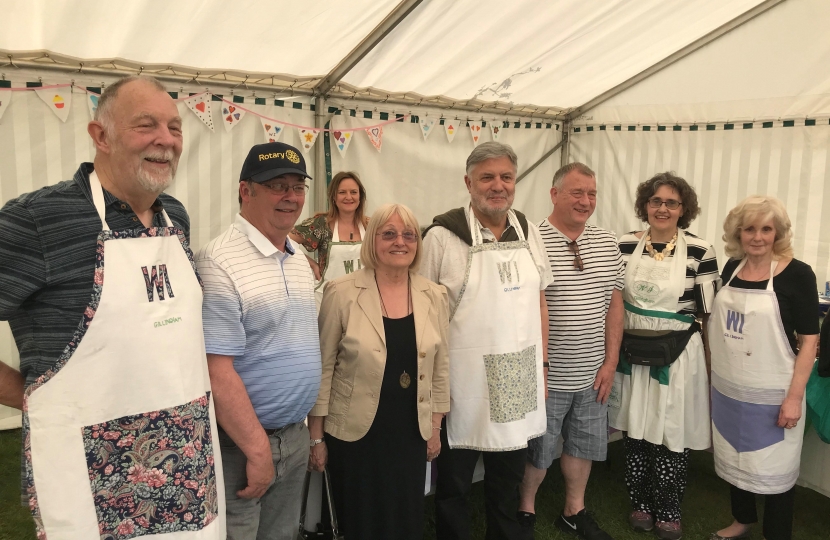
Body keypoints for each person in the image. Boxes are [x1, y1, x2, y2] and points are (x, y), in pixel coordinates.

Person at [0, 76, 226, 538]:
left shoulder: (174, 216)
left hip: (189, 469)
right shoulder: (38, 221)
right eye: (146, 125)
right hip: (93, 477)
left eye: (175, 128)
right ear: (100, 136)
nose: (165, 140)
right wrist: (29, 396)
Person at [421, 141, 553, 540]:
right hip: (463, 377)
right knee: (456, 480)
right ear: (468, 182)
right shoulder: (442, 236)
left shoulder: (528, 229)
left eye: (506, 177)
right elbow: (424, 315)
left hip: (517, 372)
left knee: (507, 476)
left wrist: (543, 366)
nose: (498, 186)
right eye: (487, 177)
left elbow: (541, 299)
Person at [197, 141, 321, 540]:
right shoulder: (219, 261)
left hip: (293, 435)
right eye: (276, 186)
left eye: (297, 186)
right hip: (242, 444)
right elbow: (218, 370)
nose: (290, 196)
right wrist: (256, 449)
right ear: (245, 191)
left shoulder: (298, 255)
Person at [307, 203, 450, 540]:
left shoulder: (435, 295)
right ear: (372, 241)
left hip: (410, 433)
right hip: (356, 435)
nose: (399, 242)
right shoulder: (341, 292)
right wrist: (316, 436)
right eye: (389, 234)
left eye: (408, 235)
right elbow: (323, 368)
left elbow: (441, 366)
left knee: (405, 517)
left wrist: (435, 426)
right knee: (358, 519)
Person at [518, 162, 624, 540]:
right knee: (538, 448)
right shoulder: (531, 240)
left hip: (593, 372)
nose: (585, 201)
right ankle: (525, 509)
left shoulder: (608, 242)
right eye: (576, 192)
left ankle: (573, 510)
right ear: (554, 194)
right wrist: (539, 369)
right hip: (546, 374)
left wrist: (610, 362)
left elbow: (615, 305)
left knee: (584, 444)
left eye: (591, 194)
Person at [611, 172, 718, 540]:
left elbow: (707, 312)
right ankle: (640, 502)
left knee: (671, 429)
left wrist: (708, 362)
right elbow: (613, 299)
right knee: (636, 426)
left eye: (671, 202)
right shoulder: (624, 244)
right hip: (633, 349)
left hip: (677, 354)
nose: (662, 208)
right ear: (645, 205)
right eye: (656, 201)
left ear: (683, 209)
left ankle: (669, 508)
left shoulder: (702, 251)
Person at [709, 196, 819, 540]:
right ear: (738, 233)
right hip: (729, 389)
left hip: (774, 394)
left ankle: (776, 534)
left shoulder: (798, 275)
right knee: (734, 457)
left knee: (777, 470)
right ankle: (742, 520)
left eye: (766, 229)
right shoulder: (731, 268)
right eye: (750, 229)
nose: (757, 237)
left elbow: (810, 342)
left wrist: (794, 398)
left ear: (778, 233)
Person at [290, 171, 369, 306]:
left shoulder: (370, 226)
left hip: (363, 301)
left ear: (360, 197)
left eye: (354, 192)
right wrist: (311, 263)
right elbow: (285, 240)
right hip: (328, 301)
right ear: (333, 196)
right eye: (342, 192)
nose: (348, 197)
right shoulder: (321, 224)